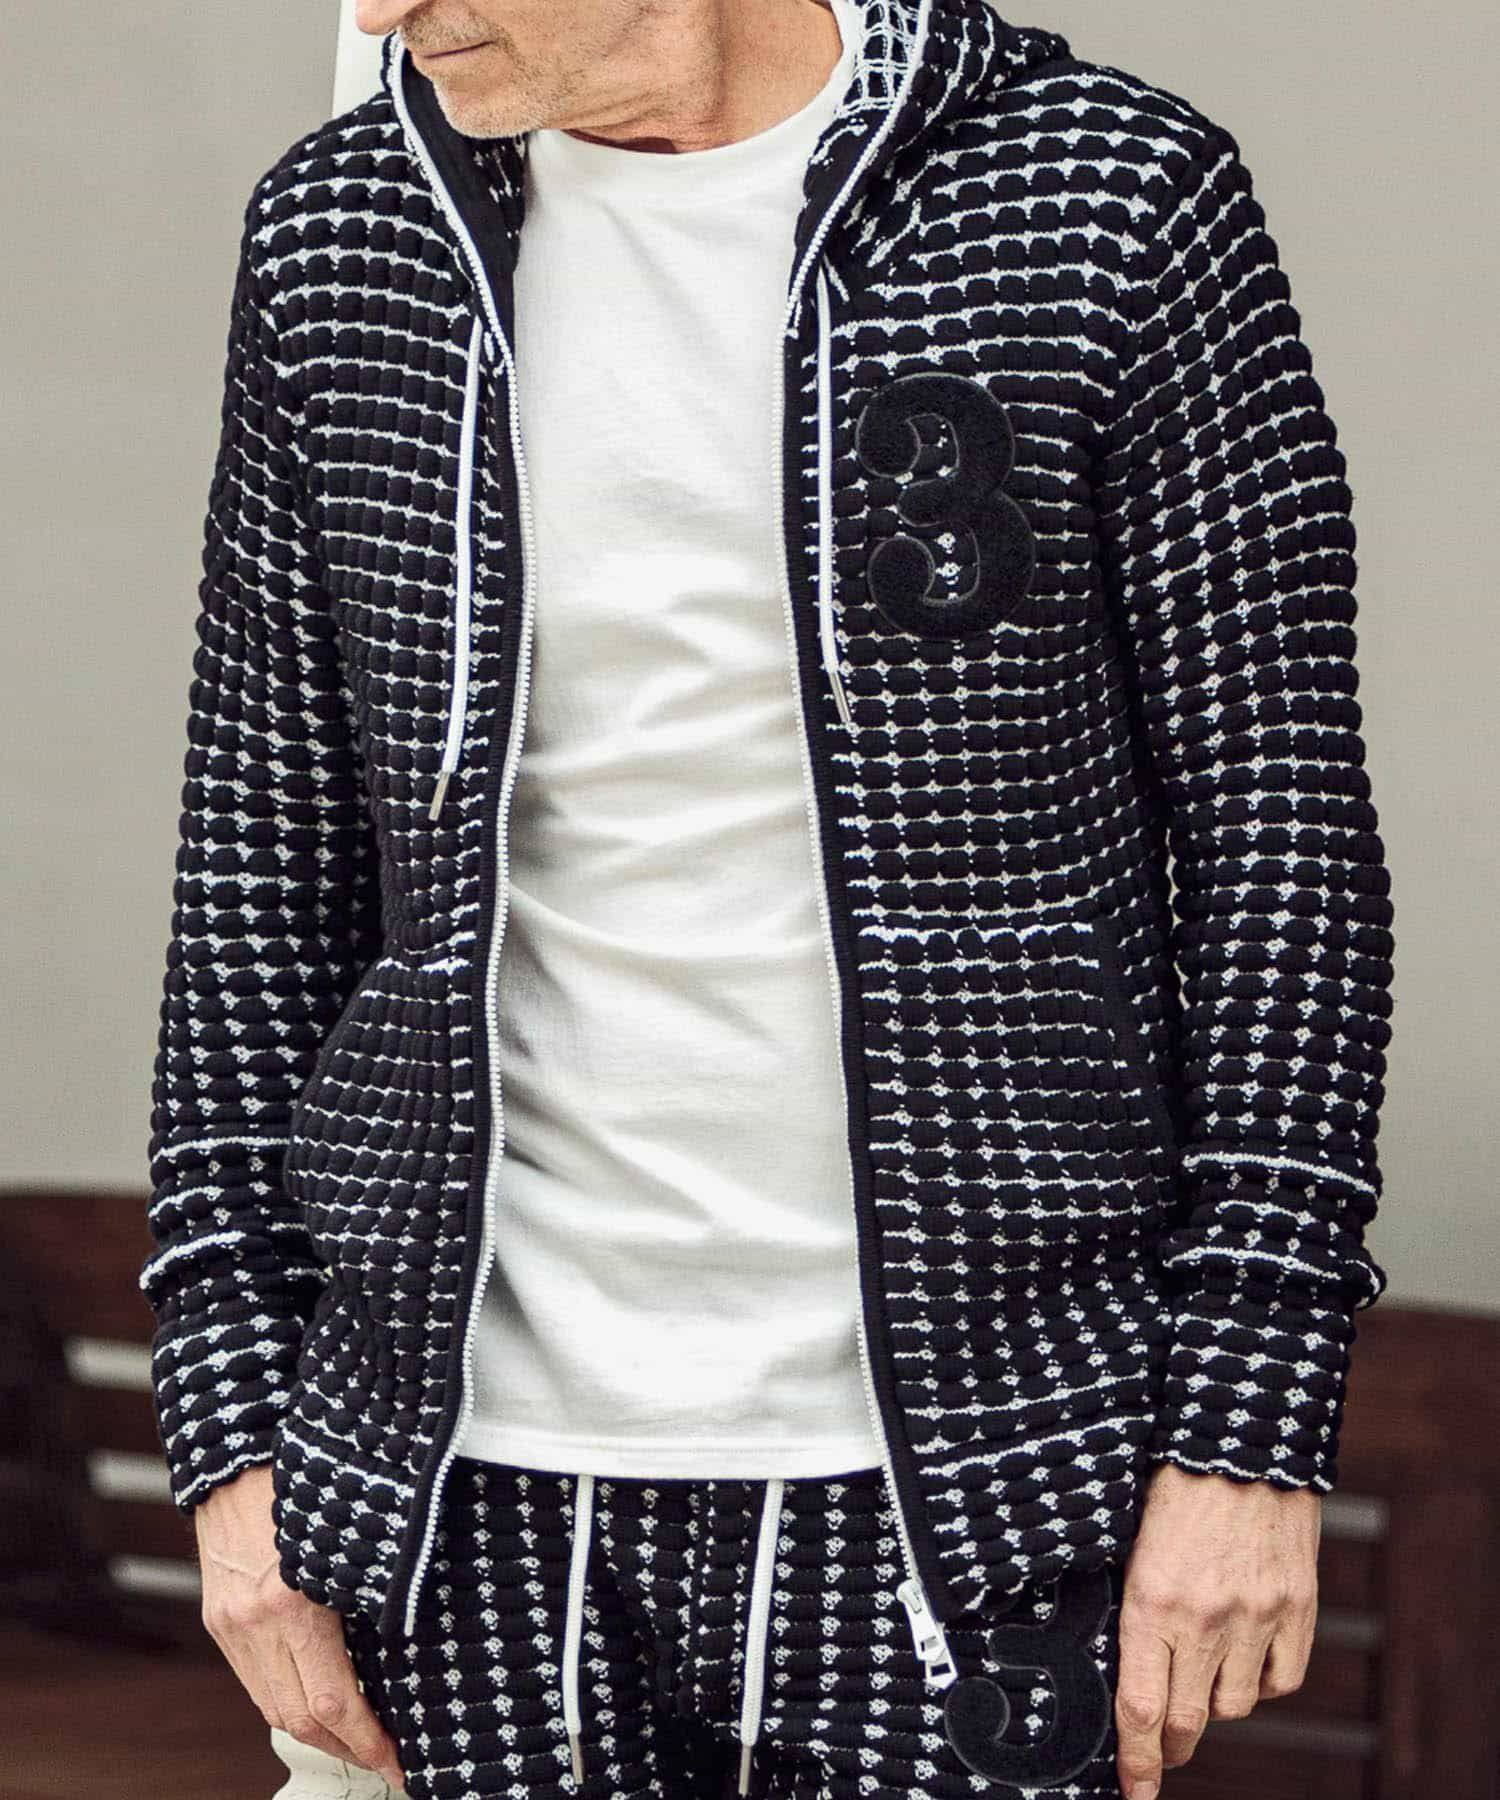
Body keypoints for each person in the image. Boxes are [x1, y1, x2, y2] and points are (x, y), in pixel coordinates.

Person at [140, 1, 1396, 1796]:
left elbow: (1284, 844)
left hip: (979, 1479)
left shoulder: (1107, 194)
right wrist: (230, 1432)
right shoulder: (345, 235)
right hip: (453, 1498)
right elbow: (256, 869)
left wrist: (1248, 1429)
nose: (377, 10)